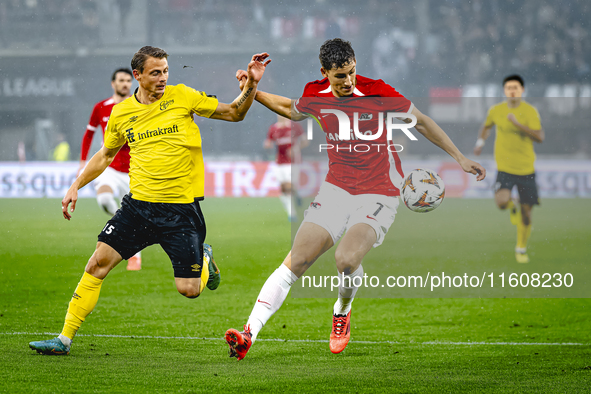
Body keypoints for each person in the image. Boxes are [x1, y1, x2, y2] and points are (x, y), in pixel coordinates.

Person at [225, 38, 486, 360]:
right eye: (339, 76)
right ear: (325, 73)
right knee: (297, 260)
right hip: (336, 189)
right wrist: (253, 86)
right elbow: (291, 110)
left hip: (379, 191)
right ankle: (249, 333)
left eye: (351, 72)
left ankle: (341, 311)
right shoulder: (315, 92)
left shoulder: (378, 91)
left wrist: (459, 158)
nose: (347, 81)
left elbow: (421, 122)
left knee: (346, 260)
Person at [29, 46, 270, 355]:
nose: (163, 78)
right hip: (138, 208)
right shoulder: (121, 113)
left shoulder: (183, 96)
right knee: (97, 264)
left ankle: (204, 257)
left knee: (189, 290)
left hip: (180, 211)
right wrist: (76, 184)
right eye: (155, 73)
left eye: (166, 71)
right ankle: (63, 339)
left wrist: (252, 84)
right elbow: (105, 154)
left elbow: (234, 113)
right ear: (138, 75)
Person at [77, 68, 143, 270]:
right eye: (121, 80)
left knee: (140, 216)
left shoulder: (138, 107)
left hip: (134, 170)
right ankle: (126, 228)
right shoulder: (101, 108)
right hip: (110, 167)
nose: (125, 84)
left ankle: (135, 253)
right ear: (113, 84)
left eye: (127, 81)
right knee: (105, 199)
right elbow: (89, 135)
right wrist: (82, 162)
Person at [474, 74, 544, 264]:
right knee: (501, 203)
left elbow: (540, 137)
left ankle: (521, 248)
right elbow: (486, 126)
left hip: (526, 168)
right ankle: (512, 206)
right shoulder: (496, 110)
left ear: (522, 90)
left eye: (515, 88)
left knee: (527, 215)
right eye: (508, 88)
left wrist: (517, 124)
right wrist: (480, 142)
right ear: (504, 91)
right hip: (504, 167)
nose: (512, 91)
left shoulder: (530, 111)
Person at [264, 115, 306, 221]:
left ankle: (296, 198)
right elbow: (268, 142)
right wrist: (267, 145)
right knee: (283, 189)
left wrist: (295, 149)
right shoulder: (273, 128)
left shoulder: (295, 126)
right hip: (279, 162)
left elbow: (305, 141)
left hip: (293, 162)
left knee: (289, 186)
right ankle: (291, 213)